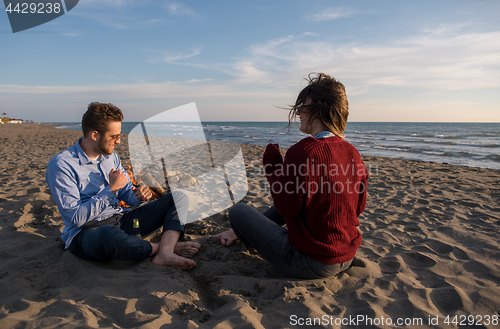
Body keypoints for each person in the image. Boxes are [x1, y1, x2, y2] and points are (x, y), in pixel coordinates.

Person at [213, 73, 368, 279]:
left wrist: (274, 170)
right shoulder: (352, 152)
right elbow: (358, 207)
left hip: (309, 261)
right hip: (346, 256)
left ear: (319, 110)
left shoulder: (304, 151)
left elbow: (287, 208)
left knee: (238, 212)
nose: (298, 113)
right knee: (303, 199)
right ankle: (236, 234)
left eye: (303, 106)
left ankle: (239, 232)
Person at [46, 102, 200, 270]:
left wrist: (138, 195)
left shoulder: (110, 157)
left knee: (178, 198)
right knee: (108, 235)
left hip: (122, 219)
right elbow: (75, 219)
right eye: (114, 137)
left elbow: (128, 195)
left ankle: (164, 251)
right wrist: (110, 190)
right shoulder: (62, 165)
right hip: (87, 232)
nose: (118, 141)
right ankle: (163, 248)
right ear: (95, 135)